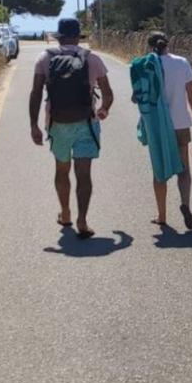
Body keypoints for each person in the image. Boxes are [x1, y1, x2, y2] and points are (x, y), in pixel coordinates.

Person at [30, 18, 114, 238]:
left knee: (61, 169)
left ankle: (65, 213)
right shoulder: (92, 58)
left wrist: (34, 126)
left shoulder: (44, 59)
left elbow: (36, 94)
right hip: (86, 122)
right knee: (84, 174)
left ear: (59, 36)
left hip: (58, 124)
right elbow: (108, 93)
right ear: (78, 36)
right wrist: (103, 109)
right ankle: (83, 220)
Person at [143, 32, 192, 229]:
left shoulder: (146, 66)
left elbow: (139, 98)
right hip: (180, 123)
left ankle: (162, 216)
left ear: (149, 46)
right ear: (167, 44)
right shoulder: (182, 63)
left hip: (158, 126)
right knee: (184, 169)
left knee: (159, 171)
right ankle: (185, 204)